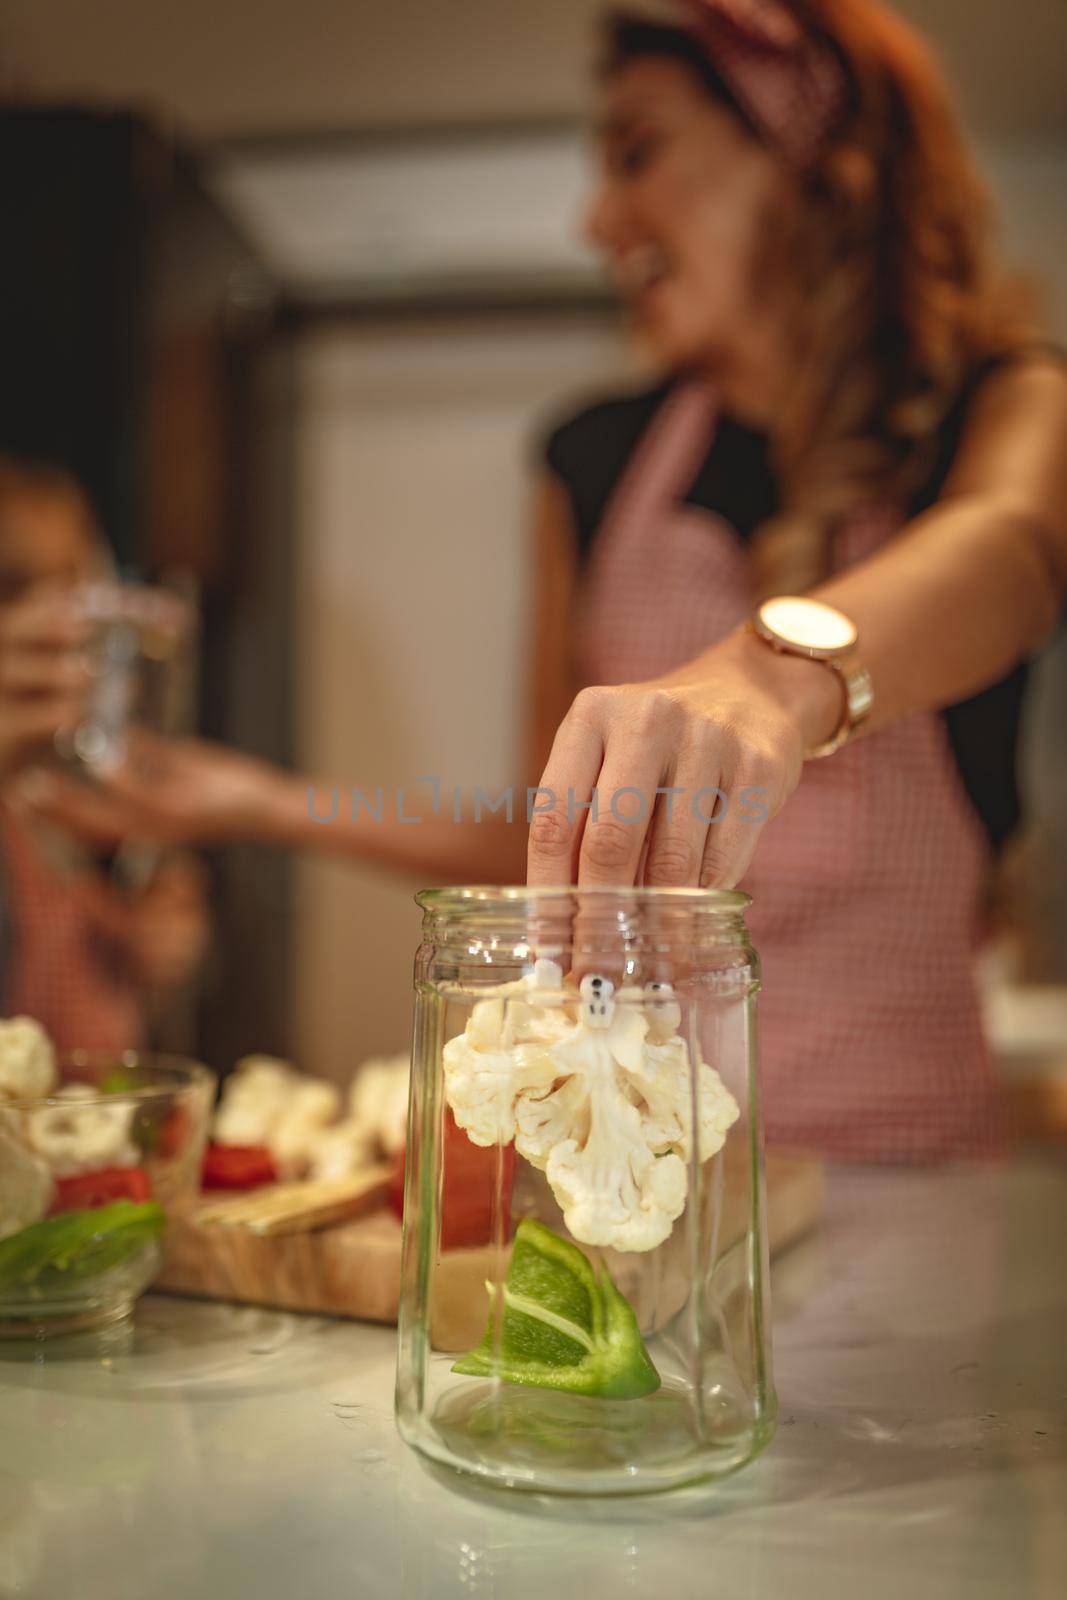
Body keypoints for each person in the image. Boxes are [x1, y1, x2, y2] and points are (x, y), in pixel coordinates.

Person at [22, 0, 1067, 1157]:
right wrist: (263, 801)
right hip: (657, 1175)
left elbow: (1010, 553)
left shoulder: (1004, 405)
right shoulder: (594, 461)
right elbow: (549, 826)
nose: (596, 219)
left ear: (811, 161)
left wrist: (775, 679)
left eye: (636, 153)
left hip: (913, 1173)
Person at [0, 455, 209, 1048]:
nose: (55, 623)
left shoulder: (88, 779)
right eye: (13, 588)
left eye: (74, 586)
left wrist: (163, 944)